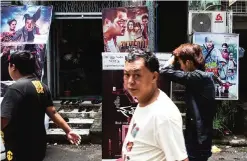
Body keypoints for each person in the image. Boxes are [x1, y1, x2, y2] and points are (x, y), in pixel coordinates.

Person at [1, 51, 81, 161]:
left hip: (18, 147)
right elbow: (52, 112)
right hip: (38, 145)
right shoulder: (41, 86)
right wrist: (68, 130)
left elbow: (3, 119)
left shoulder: (15, 89)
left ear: (13, 67)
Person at [120, 49, 188, 161]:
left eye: (137, 75)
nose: (130, 81)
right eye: (127, 74)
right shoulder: (144, 101)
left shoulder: (163, 115)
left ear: (154, 77)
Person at [160, 43, 216, 161]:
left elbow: (164, 71)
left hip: (198, 139)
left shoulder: (197, 77)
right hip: (199, 136)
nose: (180, 67)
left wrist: (173, 57)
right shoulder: (201, 76)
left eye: (180, 63)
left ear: (189, 62)